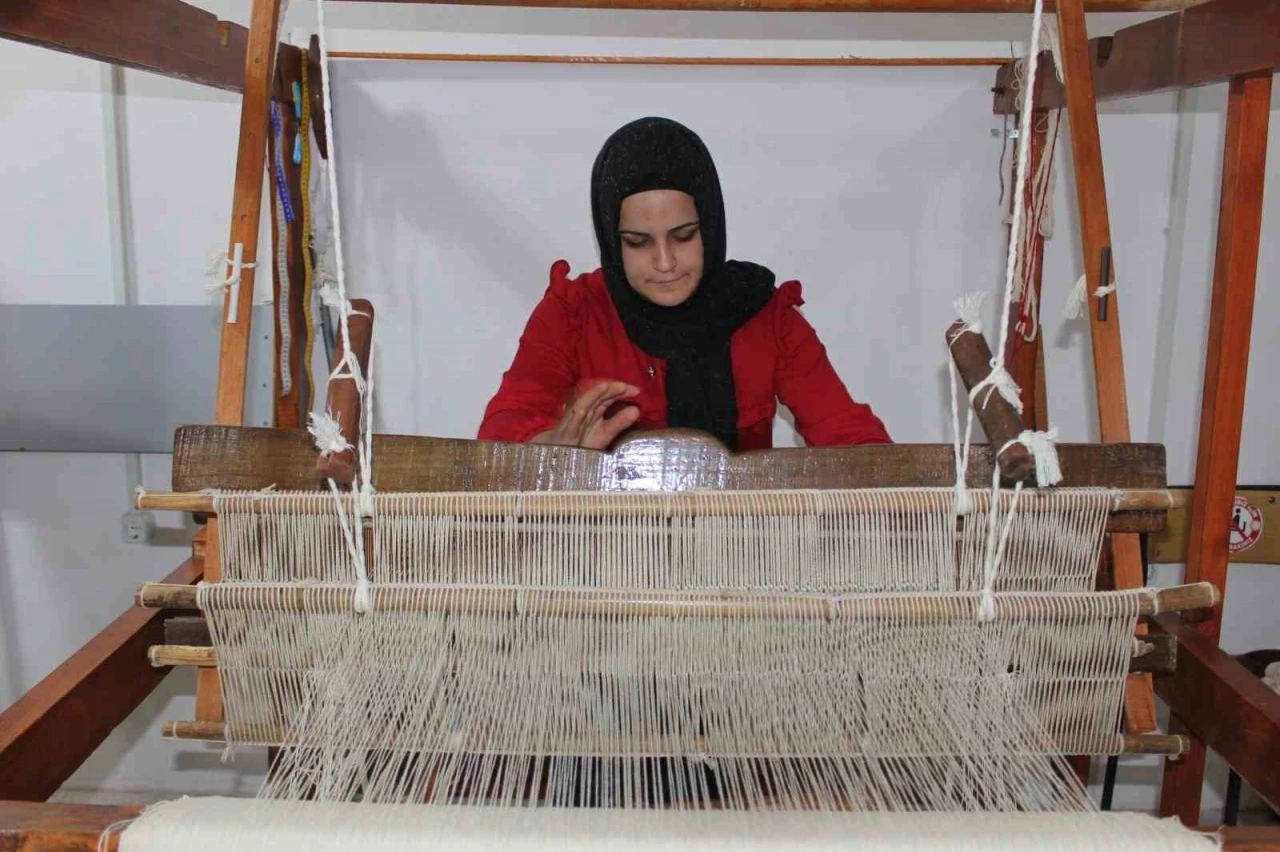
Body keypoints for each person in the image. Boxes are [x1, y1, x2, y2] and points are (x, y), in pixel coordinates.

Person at [477, 116, 890, 452]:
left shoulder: (764, 316)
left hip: (738, 530)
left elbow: (851, 438)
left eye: (684, 236)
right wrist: (553, 454)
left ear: (710, 226)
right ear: (611, 240)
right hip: (608, 531)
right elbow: (501, 433)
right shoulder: (575, 314)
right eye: (637, 242)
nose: (665, 262)